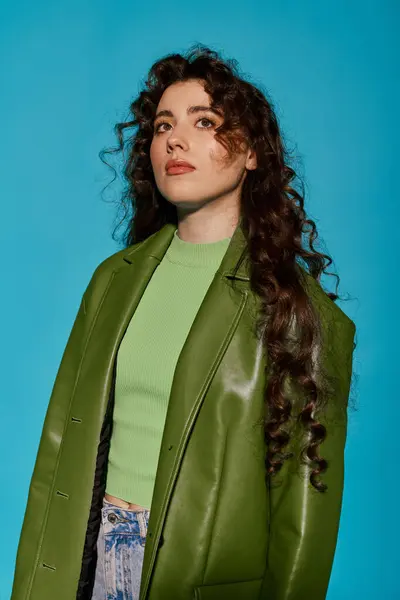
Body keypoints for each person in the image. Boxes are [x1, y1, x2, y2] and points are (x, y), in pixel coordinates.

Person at [11, 45, 356, 600]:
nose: (175, 139)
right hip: (91, 553)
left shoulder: (295, 310)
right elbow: (59, 452)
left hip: (196, 579)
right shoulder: (113, 282)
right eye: (163, 124)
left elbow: (304, 504)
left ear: (252, 154)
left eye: (206, 122)